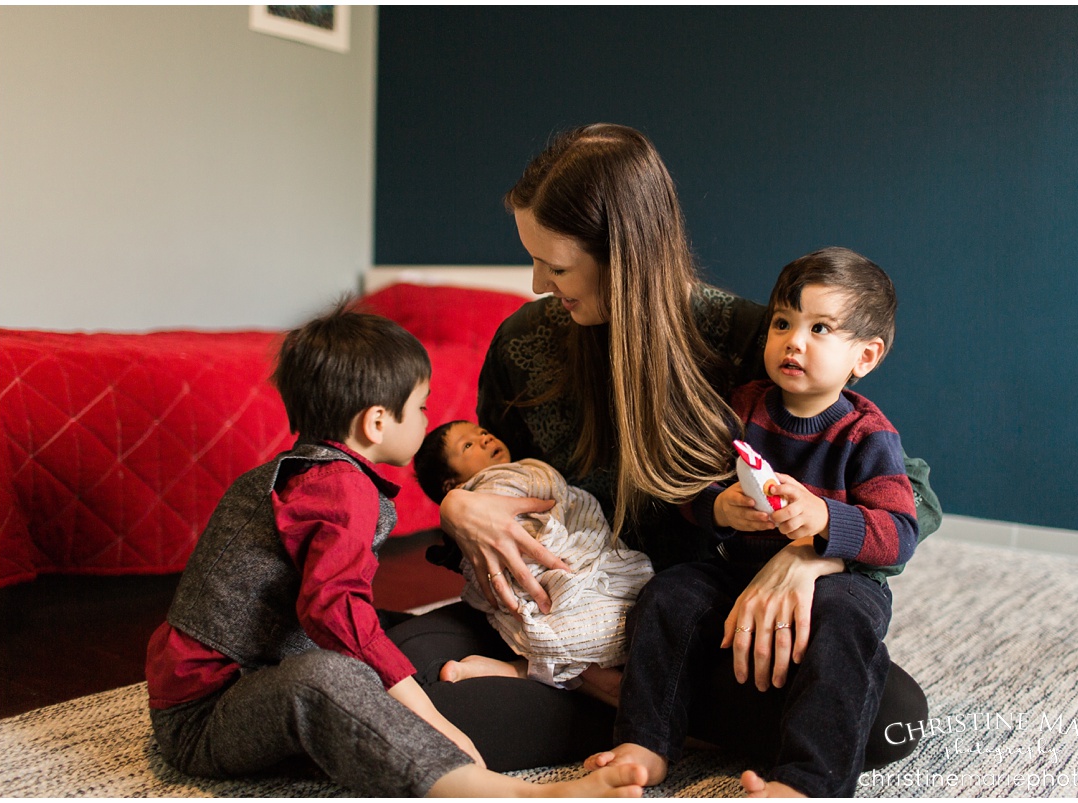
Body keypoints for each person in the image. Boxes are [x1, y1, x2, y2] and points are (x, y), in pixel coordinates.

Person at [387, 123, 941, 775]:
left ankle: (635, 708)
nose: (537, 283)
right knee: (389, 668)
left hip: (693, 629)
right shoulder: (522, 345)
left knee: (891, 719)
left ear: (623, 256)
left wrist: (807, 555)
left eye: (556, 266)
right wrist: (457, 509)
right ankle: (626, 706)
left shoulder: (750, 340)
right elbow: (490, 475)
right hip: (563, 614)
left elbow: (913, 492)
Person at [144, 300, 646, 798]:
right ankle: (492, 789)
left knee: (402, 627)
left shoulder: (309, 470)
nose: (427, 419)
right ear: (377, 422)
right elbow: (331, 608)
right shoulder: (340, 487)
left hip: (258, 665)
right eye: (423, 406)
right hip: (206, 715)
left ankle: (557, 676)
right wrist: (428, 719)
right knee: (326, 675)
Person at [589, 247, 917, 797]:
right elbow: (692, 488)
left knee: (843, 627)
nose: (794, 341)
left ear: (865, 356)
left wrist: (827, 518)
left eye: (820, 328)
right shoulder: (743, 406)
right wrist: (717, 506)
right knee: (670, 594)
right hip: (735, 566)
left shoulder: (866, 434)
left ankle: (810, 780)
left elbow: (899, 534)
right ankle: (647, 740)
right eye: (783, 323)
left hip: (837, 584)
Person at [413, 419, 653, 704]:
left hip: (577, 553)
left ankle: (539, 671)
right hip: (538, 575)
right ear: (453, 484)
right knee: (574, 615)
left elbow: (565, 504)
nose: (485, 439)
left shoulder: (521, 469)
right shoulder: (492, 486)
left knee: (626, 595)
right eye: (468, 445)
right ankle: (592, 675)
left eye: (483, 432)